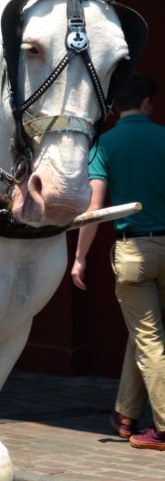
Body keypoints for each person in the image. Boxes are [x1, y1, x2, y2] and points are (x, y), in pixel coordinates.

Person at [71, 71, 165, 452]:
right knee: (144, 336)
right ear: (146, 102)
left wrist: (79, 259)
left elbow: (94, 210)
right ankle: (126, 415)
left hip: (133, 254)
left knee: (149, 340)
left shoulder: (104, 145)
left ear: (116, 108)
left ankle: (161, 429)